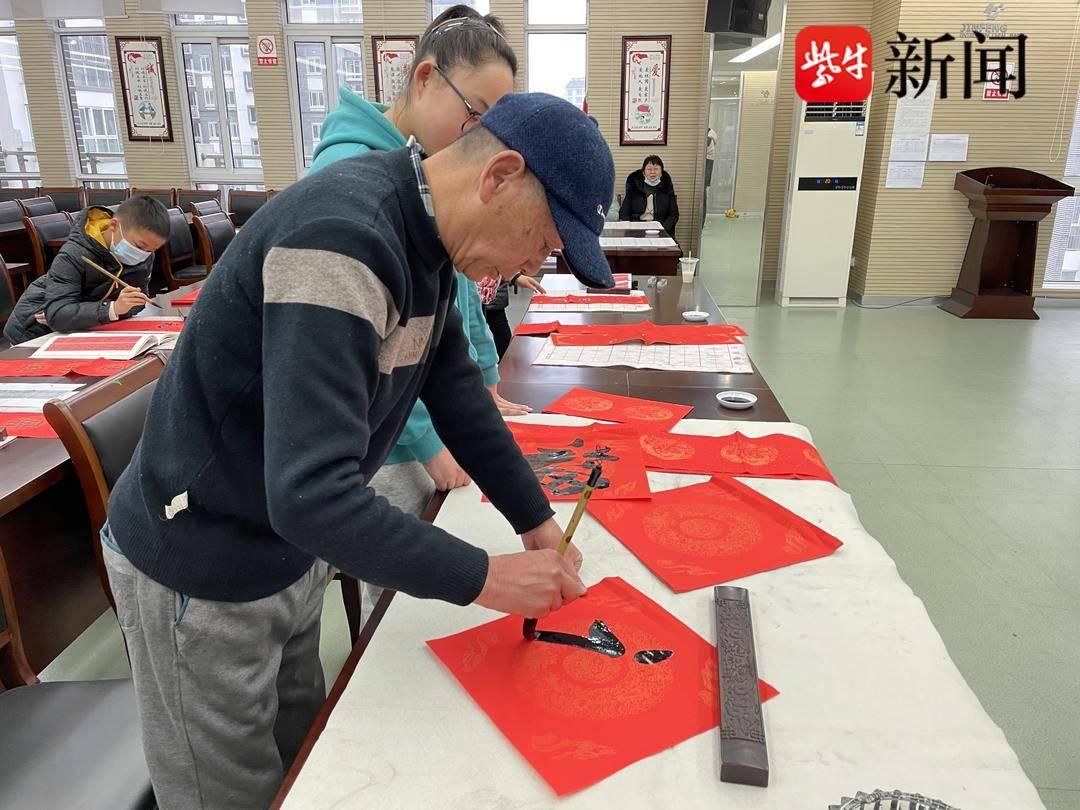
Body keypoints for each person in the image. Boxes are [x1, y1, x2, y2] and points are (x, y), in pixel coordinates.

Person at [103, 92, 615, 808]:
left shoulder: (427, 241)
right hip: (201, 558)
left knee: (297, 758)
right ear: (498, 176)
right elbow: (311, 492)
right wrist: (486, 578)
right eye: (545, 240)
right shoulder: (342, 239)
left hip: (282, 548)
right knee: (226, 790)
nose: (536, 260)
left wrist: (534, 520)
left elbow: (455, 389)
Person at [310, 4, 531, 621]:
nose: (480, 136)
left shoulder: (425, 177)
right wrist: (430, 440)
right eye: (475, 114)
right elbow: (370, 363)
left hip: (406, 422)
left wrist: (482, 388)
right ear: (426, 77)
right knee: (404, 620)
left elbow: (448, 313)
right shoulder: (353, 188)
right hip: (386, 439)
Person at [3, 196, 169, 345]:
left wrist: (120, 307)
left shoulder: (144, 255)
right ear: (114, 225)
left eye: (152, 249)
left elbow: (136, 303)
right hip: (34, 333)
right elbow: (58, 314)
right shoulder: (74, 253)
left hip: (82, 331)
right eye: (140, 246)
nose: (143, 254)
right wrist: (112, 309)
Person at [483, 270, 547, 359]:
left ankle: (503, 365)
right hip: (477, 294)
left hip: (494, 294)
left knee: (502, 335)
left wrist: (514, 275)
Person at [618, 154, 679, 236]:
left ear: (661, 172)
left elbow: (673, 215)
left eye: (656, 169)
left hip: (660, 231)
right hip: (637, 231)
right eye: (649, 169)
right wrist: (631, 230)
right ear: (643, 172)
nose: (653, 172)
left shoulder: (667, 189)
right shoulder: (635, 188)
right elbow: (624, 213)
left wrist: (662, 230)